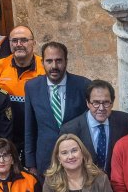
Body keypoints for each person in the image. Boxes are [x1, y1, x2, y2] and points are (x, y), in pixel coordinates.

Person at [23, 42, 90, 173]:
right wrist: (31, 164)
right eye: (49, 61)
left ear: (66, 61)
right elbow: (29, 128)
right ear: (42, 62)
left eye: (59, 61)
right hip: (45, 161)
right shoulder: (32, 87)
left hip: (76, 161)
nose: (54, 66)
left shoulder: (84, 85)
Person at [0, 26, 43, 160]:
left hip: (35, 134)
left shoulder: (44, 67)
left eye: (24, 40)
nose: (19, 44)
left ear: (33, 43)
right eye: (14, 41)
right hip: (8, 133)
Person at [59, 79, 128, 173]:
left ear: (112, 102)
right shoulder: (70, 129)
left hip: (116, 184)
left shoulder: (124, 121)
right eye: (96, 103)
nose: (101, 108)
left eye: (106, 102)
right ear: (87, 103)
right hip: (84, 185)